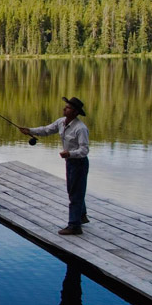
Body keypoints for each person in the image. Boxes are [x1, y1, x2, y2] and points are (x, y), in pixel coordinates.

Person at [19, 97, 90, 235]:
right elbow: (46, 130)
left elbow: (84, 150)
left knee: (75, 193)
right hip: (70, 162)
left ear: (75, 112)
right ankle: (81, 216)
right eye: (65, 106)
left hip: (79, 163)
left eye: (68, 108)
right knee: (74, 190)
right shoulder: (61, 122)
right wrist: (30, 130)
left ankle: (74, 226)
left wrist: (70, 153)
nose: (64, 109)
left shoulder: (81, 128)